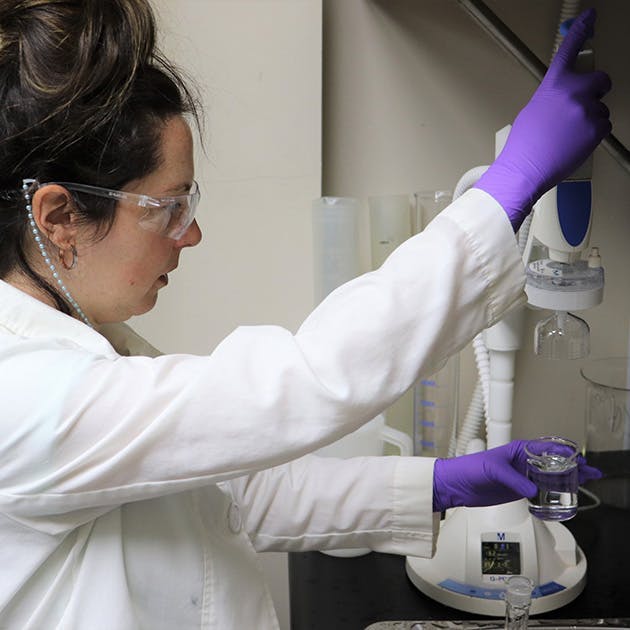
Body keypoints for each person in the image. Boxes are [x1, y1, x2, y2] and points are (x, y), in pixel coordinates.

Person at [0, 1, 609, 628]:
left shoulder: (86, 349)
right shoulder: (26, 396)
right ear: (59, 218)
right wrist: (504, 191)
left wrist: (441, 485)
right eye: (168, 207)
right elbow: (305, 379)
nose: (192, 233)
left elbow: (233, 494)